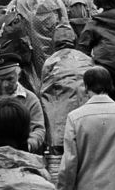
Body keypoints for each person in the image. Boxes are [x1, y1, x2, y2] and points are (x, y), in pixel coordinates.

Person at [39, 23, 95, 151]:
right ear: (74, 40)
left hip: (60, 122)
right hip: (86, 117)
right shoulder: (87, 59)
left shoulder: (50, 61)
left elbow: (43, 90)